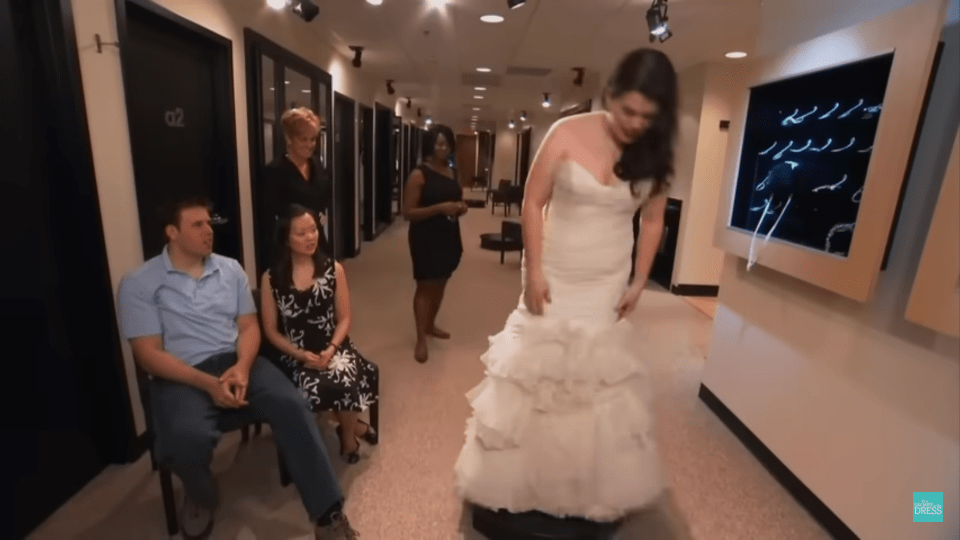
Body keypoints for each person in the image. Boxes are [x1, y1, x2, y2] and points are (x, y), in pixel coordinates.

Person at [453, 48, 678, 523]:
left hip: (607, 280)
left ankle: (581, 486)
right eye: (627, 110)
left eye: (646, 115)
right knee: (538, 378)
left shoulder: (655, 153)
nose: (635, 123)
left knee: (594, 382)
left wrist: (640, 280)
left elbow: (654, 219)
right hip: (555, 273)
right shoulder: (566, 132)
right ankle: (524, 482)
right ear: (610, 95)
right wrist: (533, 270)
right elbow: (533, 202)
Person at [117, 197, 358, 540]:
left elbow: (248, 327)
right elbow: (148, 355)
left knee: (293, 404)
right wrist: (207, 383)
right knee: (186, 440)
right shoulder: (139, 283)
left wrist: (243, 367)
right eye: (197, 225)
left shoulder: (229, 270)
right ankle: (202, 495)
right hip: (181, 374)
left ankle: (328, 513)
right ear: (172, 232)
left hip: (236, 359)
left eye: (209, 223)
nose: (208, 231)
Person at [260, 204, 380, 465]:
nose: (310, 237)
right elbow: (270, 330)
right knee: (306, 389)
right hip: (293, 352)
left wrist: (331, 349)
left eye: (313, 230)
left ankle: (348, 436)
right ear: (286, 239)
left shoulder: (333, 269)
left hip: (332, 344)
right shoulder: (271, 278)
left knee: (345, 376)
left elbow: (345, 318)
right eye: (301, 233)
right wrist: (300, 354)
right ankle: (344, 423)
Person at [402, 124, 467, 363]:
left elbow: (457, 199)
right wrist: (440, 208)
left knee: (441, 283)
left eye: (447, 144)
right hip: (425, 236)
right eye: (439, 143)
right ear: (430, 145)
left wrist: (461, 207)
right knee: (425, 286)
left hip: (449, 234)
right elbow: (408, 212)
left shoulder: (453, 172)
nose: (443, 148)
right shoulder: (419, 174)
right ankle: (421, 339)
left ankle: (430, 325)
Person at [260, 107, 332, 272]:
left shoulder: (317, 165)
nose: (310, 145)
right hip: (289, 246)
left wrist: (321, 216)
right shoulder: (274, 171)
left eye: (313, 139)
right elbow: (268, 219)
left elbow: (323, 197)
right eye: (303, 139)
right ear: (289, 139)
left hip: (317, 239)